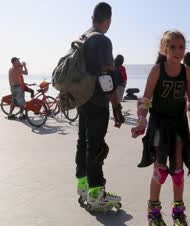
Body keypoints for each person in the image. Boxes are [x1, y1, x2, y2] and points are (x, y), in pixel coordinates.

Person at [132, 31, 190, 226]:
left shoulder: (188, 72)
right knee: (160, 169)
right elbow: (145, 100)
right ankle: (153, 209)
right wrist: (141, 121)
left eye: (181, 47)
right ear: (164, 49)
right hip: (159, 124)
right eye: (172, 47)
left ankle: (178, 211)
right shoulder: (157, 70)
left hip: (179, 125)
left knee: (178, 171)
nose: (177, 51)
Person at [75, 2, 122, 211]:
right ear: (109, 19)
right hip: (96, 102)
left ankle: (83, 187)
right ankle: (97, 194)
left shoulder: (82, 37)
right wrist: (116, 107)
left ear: (92, 18)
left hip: (82, 99)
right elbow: (106, 78)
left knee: (83, 143)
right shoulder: (102, 41)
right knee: (96, 146)